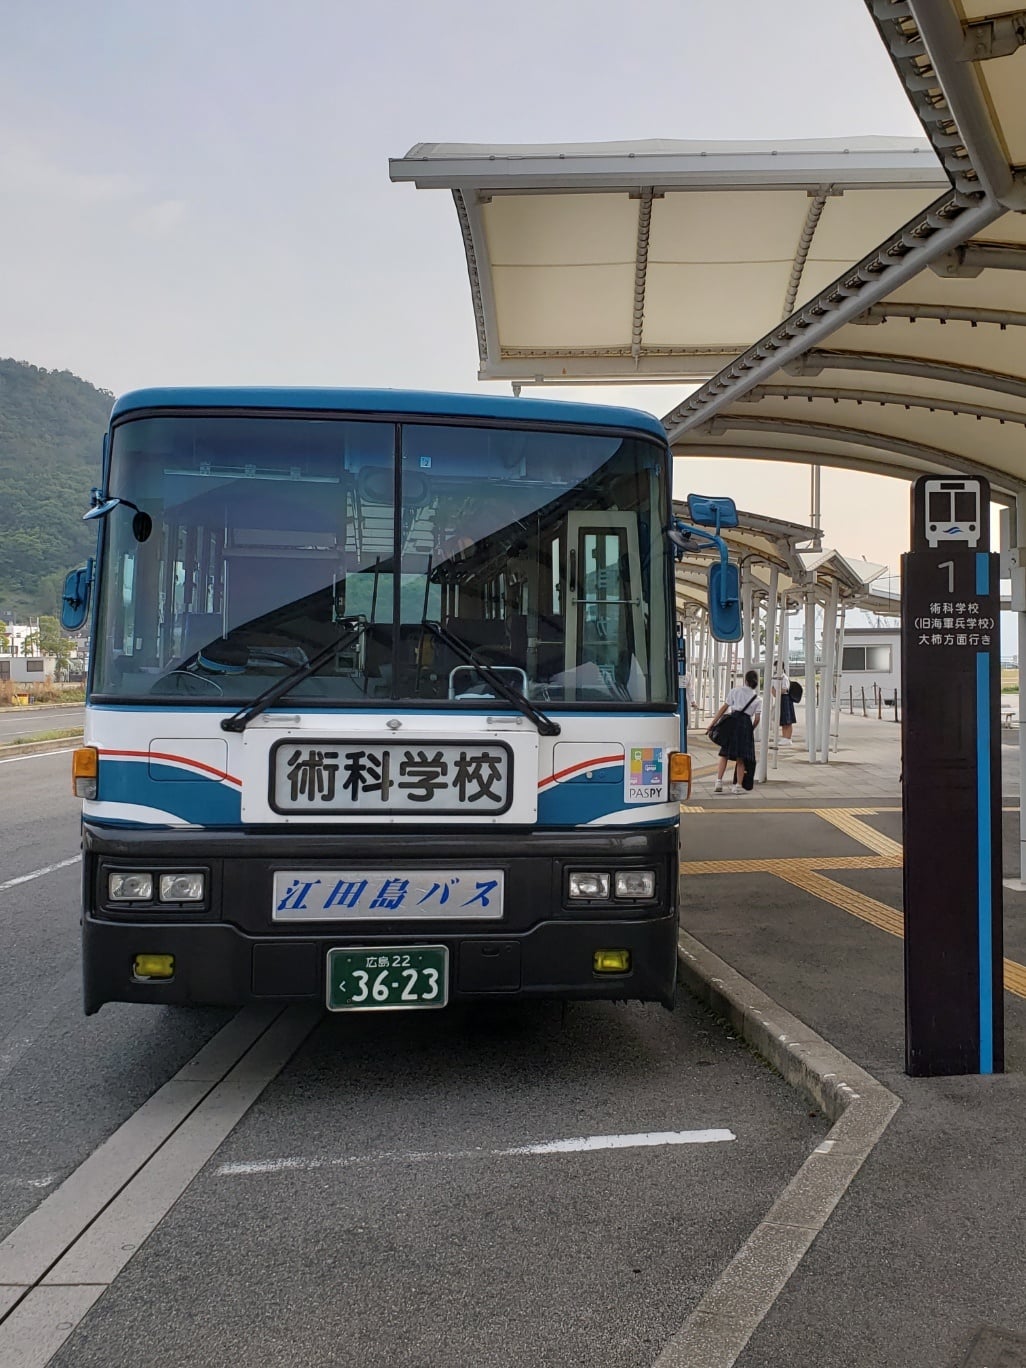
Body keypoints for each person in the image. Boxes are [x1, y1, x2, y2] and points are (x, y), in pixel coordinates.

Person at [706, 669, 762, 794]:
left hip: (733, 722)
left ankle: (718, 782)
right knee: (741, 757)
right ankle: (738, 786)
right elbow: (757, 719)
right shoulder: (757, 699)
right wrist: (750, 729)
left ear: (745, 680)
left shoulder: (735, 691)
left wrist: (712, 724)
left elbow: (724, 708)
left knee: (724, 754)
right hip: (746, 725)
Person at [771, 658, 796, 746]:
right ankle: (784, 737)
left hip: (785, 699)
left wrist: (777, 692)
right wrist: (775, 693)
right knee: (782, 719)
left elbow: (785, 689)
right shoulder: (774, 677)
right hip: (779, 699)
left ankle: (788, 738)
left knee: (787, 720)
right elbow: (772, 689)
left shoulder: (784, 677)